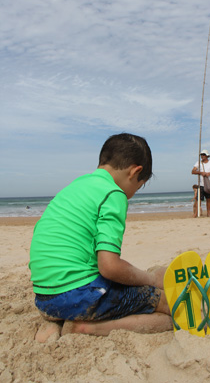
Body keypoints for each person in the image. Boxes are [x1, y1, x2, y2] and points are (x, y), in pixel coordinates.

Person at [29, 133, 172, 341]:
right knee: (164, 305)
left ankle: (55, 322)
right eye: (138, 187)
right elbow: (109, 267)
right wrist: (151, 279)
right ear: (135, 172)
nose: (132, 194)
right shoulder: (114, 194)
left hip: (44, 299)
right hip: (80, 295)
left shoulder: (76, 186)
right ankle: (86, 328)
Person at [191, 150, 210, 217]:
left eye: (203, 154)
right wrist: (201, 172)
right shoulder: (198, 163)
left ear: (207, 155)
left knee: (208, 199)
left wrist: (209, 173)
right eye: (201, 155)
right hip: (201, 184)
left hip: (209, 184)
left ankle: (208, 213)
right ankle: (196, 213)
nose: (202, 156)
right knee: (198, 200)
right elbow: (193, 171)